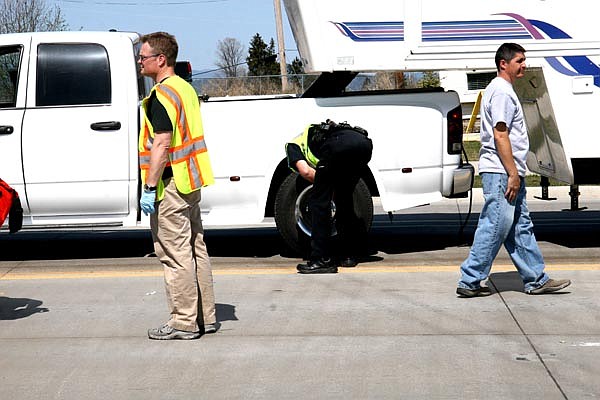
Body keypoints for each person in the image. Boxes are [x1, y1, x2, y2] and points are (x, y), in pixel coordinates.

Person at [457, 43, 571, 297]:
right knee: (495, 224)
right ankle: (470, 279)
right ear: (503, 64)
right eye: (519, 60)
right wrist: (511, 173)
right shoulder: (501, 93)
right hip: (501, 172)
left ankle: (536, 278)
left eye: (523, 60)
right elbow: (500, 134)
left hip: (507, 170)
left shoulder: (504, 90)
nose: (524, 65)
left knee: (520, 226)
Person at [138, 32, 217, 339]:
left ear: (161, 60)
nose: (140, 61)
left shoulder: (161, 95)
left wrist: (149, 187)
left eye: (144, 57)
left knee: (174, 254)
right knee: (196, 249)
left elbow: (162, 143)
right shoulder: (184, 89)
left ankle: (183, 322)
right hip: (189, 181)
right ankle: (204, 317)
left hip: (170, 185)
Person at [286, 120, 373, 274]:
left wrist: (324, 187)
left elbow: (305, 172)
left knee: (319, 204)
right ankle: (348, 256)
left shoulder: (293, 146)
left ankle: (322, 260)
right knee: (344, 200)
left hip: (338, 147)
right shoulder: (316, 132)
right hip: (364, 146)